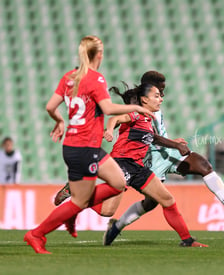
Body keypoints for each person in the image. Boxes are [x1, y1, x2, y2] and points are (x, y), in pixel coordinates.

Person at [55, 71, 224, 244]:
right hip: (148, 157)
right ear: (149, 89)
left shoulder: (154, 102)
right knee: (147, 203)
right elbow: (140, 129)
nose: (163, 95)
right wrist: (173, 144)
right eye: (160, 89)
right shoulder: (142, 102)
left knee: (202, 165)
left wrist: (172, 141)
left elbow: (153, 131)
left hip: (164, 154)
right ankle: (114, 225)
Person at [23, 35, 153, 254]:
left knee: (118, 182)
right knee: (81, 200)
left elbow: (49, 106)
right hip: (83, 148)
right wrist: (137, 109)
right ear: (99, 55)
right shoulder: (96, 79)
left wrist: (60, 121)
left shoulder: (69, 77)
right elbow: (108, 108)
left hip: (79, 146)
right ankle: (36, 233)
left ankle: (72, 211)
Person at [100, 83, 208, 247]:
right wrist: (109, 130)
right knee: (106, 211)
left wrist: (174, 143)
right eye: (156, 96)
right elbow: (115, 118)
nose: (160, 100)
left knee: (167, 199)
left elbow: (155, 139)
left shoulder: (148, 120)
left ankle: (187, 240)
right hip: (120, 164)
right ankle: (76, 192)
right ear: (144, 99)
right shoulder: (135, 114)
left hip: (137, 167)